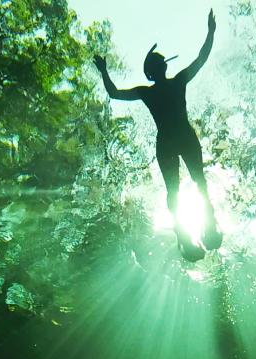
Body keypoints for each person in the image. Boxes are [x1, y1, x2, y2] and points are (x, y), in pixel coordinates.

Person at [93, 9, 222, 261]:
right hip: (183, 136)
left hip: (167, 141)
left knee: (176, 189)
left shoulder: (148, 91)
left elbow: (114, 93)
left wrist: (104, 71)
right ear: (160, 67)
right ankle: (207, 227)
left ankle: (187, 236)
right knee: (198, 183)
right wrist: (210, 32)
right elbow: (201, 58)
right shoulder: (177, 81)